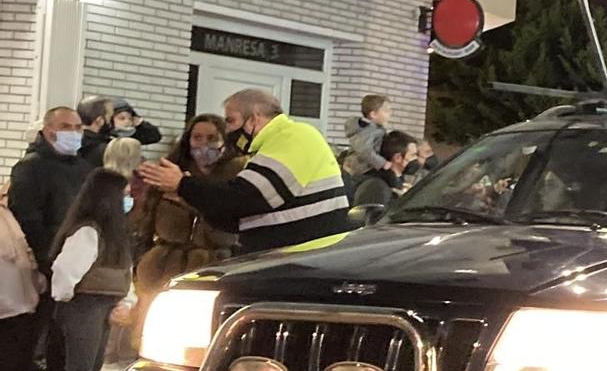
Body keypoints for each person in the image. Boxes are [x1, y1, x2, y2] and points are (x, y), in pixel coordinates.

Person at [119, 115, 240, 371]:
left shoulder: (235, 176)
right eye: (196, 137)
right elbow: (142, 224)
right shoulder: (166, 173)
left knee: (200, 365)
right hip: (163, 272)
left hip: (212, 269)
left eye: (211, 137)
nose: (202, 144)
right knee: (154, 364)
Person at [135, 88, 349, 256]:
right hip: (291, 257)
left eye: (230, 120)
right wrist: (188, 196)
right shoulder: (270, 147)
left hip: (302, 258)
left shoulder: (294, 136)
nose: (227, 130)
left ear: (254, 118)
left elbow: (247, 198)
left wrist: (183, 185)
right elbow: (240, 218)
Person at [3, 106, 92, 371]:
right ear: (49, 129)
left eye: (78, 126)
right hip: (41, 266)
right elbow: (28, 217)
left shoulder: (83, 168)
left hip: (74, 266)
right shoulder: (31, 168)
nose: (74, 132)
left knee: (65, 341)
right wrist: (48, 261)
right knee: (24, 339)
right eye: (67, 126)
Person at [40, 169, 131, 371]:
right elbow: (66, 270)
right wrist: (65, 297)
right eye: (124, 194)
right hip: (83, 304)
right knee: (77, 368)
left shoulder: (111, 233)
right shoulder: (88, 231)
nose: (127, 200)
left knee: (91, 367)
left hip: (102, 303)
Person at [0, 177, 42, 371]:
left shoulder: (9, 219)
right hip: (12, 300)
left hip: (18, 301)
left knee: (15, 355)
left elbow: (25, 256)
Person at [77, 95, 161, 164]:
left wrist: (140, 123)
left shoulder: (80, 140)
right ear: (100, 120)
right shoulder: (104, 148)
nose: (127, 122)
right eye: (109, 117)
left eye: (130, 118)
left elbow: (153, 136)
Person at [351, 130, 416, 210]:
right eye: (413, 155)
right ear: (397, 158)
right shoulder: (376, 187)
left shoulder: (398, 183)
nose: (416, 159)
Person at [341, 94, 392, 181]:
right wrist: (382, 163)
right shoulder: (369, 129)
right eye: (386, 111)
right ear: (373, 114)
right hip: (362, 168)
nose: (390, 114)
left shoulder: (373, 128)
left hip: (365, 166)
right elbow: (364, 149)